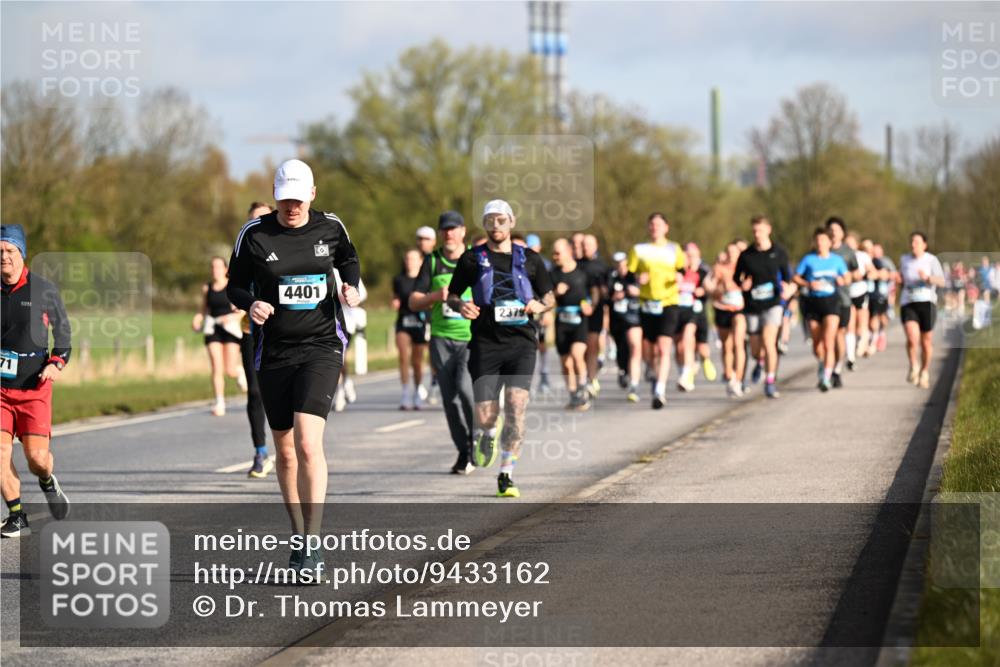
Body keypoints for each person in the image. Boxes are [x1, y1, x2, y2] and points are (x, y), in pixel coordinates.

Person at [227, 159, 361, 576]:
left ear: (312, 195)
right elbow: (233, 284)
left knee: (307, 444)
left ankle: (314, 544)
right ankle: (298, 535)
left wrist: (350, 286)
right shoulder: (255, 233)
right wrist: (251, 303)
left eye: (299, 199)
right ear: (276, 195)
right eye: (285, 199)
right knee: (285, 453)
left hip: (322, 345)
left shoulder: (331, 227)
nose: (292, 207)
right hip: (274, 352)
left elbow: (350, 260)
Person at [446, 200, 554, 498]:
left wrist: (539, 305)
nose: (496, 226)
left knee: (516, 409)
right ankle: (487, 433)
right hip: (485, 343)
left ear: (511, 222)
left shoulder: (530, 259)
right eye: (490, 220)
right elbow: (452, 296)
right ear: (485, 224)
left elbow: (550, 296)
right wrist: (461, 305)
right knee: (486, 414)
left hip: (521, 344)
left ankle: (506, 474)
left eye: (501, 220)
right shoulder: (470, 259)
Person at [1, 224, 72, 537]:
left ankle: (46, 480)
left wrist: (56, 362)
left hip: (34, 388)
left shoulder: (43, 290)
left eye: (10, 251)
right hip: (1, 390)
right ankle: (17, 514)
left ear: (22, 254)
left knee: (37, 459)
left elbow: (65, 334)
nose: (4, 257)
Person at [409, 211, 476, 474]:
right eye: (444, 230)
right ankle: (463, 451)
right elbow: (413, 301)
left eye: (453, 229)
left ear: (462, 231)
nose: (449, 234)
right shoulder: (432, 261)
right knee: (450, 399)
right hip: (440, 338)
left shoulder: (474, 258)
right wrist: (435, 295)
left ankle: (477, 439)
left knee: (465, 390)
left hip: (470, 337)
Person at [628, 212, 686, 409]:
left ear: (666, 228)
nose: (655, 228)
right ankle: (652, 372)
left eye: (659, 225)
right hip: (646, 303)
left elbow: (682, 270)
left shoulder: (674, 248)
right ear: (648, 228)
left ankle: (660, 389)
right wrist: (637, 280)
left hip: (668, 302)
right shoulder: (639, 249)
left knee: (663, 347)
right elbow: (628, 275)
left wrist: (679, 278)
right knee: (649, 349)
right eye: (652, 225)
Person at [734, 216, 791, 399]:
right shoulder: (747, 254)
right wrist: (743, 284)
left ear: (769, 230)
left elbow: (788, 276)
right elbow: (737, 277)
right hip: (752, 305)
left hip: (773, 304)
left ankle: (770, 381)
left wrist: (788, 288)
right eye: (754, 231)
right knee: (755, 349)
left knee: (769, 341)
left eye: (760, 230)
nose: (757, 234)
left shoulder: (779, 252)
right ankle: (759, 361)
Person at [242, 202, 276, 478]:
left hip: (284, 334)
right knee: (254, 391)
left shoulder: (285, 249)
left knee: (281, 393)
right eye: (254, 219)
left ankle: (293, 447)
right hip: (251, 332)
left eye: (264, 218)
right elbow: (233, 289)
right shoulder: (243, 252)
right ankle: (261, 452)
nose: (259, 224)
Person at [192, 256, 247, 416]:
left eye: (218, 267)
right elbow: (203, 308)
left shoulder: (233, 287)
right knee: (217, 367)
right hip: (213, 328)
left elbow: (243, 309)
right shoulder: (207, 288)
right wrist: (197, 319)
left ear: (225, 269)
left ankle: (239, 372)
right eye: (213, 267)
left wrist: (232, 317)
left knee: (229, 370)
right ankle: (219, 403)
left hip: (230, 328)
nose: (215, 270)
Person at [794, 228, 848, 392]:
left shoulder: (837, 260)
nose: (820, 243)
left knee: (829, 341)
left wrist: (841, 280)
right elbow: (796, 277)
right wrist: (808, 284)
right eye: (817, 240)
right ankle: (822, 363)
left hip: (831, 302)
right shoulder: (808, 259)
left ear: (829, 242)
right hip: (813, 302)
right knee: (818, 345)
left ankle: (826, 377)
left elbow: (847, 277)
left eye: (823, 240)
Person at [550, 238, 596, 410]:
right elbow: (546, 298)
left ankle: (583, 389)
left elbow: (594, 291)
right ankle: (573, 393)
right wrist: (556, 292)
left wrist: (590, 304)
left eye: (558, 253)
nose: (555, 257)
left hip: (579, 319)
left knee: (577, 355)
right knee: (566, 362)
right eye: (553, 253)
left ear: (569, 251)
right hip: (562, 320)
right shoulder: (553, 274)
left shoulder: (582, 272)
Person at [898, 232, 945, 389]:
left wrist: (928, 278)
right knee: (912, 338)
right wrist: (898, 279)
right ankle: (914, 365)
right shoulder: (904, 260)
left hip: (927, 302)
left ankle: (925, 372)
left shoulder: (931, 260)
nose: (913, 244)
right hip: (908, 302)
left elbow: (942, 281)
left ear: (924, 245)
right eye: (912, 241)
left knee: (926, 341)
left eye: (917, 242)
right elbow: (901, 279)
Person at [392, 249, 429, 410]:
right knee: (403, 356)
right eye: (407, 258)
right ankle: (406, 393)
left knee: (417, 362)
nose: (410, 262)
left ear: (421, 261)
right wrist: (395, 302)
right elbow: (395, 297)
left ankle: (418, 391)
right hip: (403, 321)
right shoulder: (398, 279)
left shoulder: (425, 280)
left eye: (413, 259)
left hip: (420, 323)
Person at [826, 217, 860, 388]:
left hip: (843, 299)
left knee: (838, 335)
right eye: (830, 230)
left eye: (837, 230)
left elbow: (857, 274)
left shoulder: (848, 252)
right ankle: (826, 366)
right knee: (825, 338)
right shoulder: (819, 250)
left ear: (842, 233)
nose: (833, 233)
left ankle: (836, 369)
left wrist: (845, 278)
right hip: (822, 300)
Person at [712, 242, 747, 397]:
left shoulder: (745, 268)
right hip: (722, 309)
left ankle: (738, 380)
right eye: (730, 252)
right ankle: (730, 375)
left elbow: (750, 286)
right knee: (727, 345)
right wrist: (721, 288)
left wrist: (745, 286)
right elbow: (712, 290)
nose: (732, 255)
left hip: (740, 309)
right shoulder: (720, 269)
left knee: (739, 343)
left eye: (735, 252)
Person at [607, 251, 642, 401]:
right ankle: (623, 370)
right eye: (617, 263)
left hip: (634, 317)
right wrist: (615, 296)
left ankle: (634, 386)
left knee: (634, 346)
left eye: (623, 263)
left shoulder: (634, 276)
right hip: (617, 319)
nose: (620, 266)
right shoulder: (611, 277)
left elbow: (643, 291)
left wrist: (635, 291)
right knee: (622, 348)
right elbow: (606, 296)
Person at [332, 269, 367, 412]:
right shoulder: (319, 267)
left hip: (347, 323)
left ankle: (341, 388)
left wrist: (347, 296)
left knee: (340, 357)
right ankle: (342, 386)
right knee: (336, 358)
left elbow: (362, 293)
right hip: (326, 323)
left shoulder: (344, 269)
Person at [579, 235, 610, 399]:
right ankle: (584, 378)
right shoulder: (577, 265)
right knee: (580, 348)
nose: (586, 248)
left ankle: (591, 379)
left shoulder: (603, 266)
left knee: (592, 345)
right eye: (583, 245)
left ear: (596, 245)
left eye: (589, 245)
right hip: (579, 311)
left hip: (596, 311)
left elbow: (608, 290)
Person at [526, 234, 553, 393]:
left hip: (541, 308)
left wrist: (547, 311)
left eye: (534, 247)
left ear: (539, 247)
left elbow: (549, 291)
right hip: (525, 308)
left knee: (542, 343)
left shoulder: (546, 264)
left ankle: (544, 374)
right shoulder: (518, 262)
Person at [844, 233, 874, 365]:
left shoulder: (863, 256)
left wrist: (864, 275)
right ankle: (850, 357)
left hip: (860, 291)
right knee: (849, 325)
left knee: (861, 325)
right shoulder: (842, 256)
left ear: (857, 244)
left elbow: (872, 271)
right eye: (847, 244)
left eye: (851, 244)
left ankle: (862, 341)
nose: (849, 247)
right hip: (846, 293)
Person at [870, 243, 897, 353]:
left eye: (878, 251)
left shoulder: (887, 261)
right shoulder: (869, 261)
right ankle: (875, 337)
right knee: (873, 317)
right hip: (872, 294)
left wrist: (884, 275)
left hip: (884, 293)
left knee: (883, 317)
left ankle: (882, 333)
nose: (876, 253)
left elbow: (894, 276)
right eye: (874, 251)